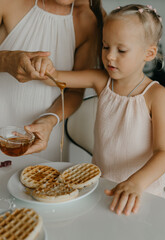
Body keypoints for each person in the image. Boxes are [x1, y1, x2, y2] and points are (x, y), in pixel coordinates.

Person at [31, 4, 165, 215]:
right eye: (106, 47)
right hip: (101, 187)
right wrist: (44, 66)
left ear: (149, 53)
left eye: (121, 50)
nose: (110, 56)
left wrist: (135, 183)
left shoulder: (155, 95)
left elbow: (163, 153)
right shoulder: (101, 80)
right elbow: (56, 78)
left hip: (143, 192)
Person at [0, 0, 104, 161]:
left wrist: (49, 120)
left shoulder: (86, 20)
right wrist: (6, 61)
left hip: (46, 139)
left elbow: (75, 91)